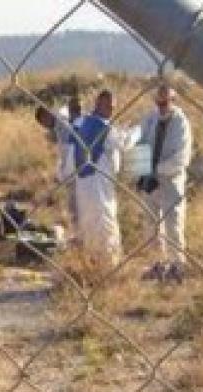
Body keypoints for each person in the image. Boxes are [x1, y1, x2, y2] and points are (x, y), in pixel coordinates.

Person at [67, 90, 139, 269]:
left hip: (83, 182)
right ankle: (110, 266)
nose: (111, 110)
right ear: (98, 104)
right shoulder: (102, 126)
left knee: (89, 224)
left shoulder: (83, 124)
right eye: (108, 106)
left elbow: (69, 158)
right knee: (105, 223)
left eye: (113, 107)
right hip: (99, 182)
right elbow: (124, 142)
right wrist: (138, 130)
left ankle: (93, 263)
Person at [136, 82, 193, 285]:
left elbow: (181, 158)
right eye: (158, 102)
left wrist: (156, 170)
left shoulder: (181, 123)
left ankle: (178, 267)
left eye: (165, 102)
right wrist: (141, 172)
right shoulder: (150, 118)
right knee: (150, 224)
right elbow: (140, 142)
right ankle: (158, 264)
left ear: (173, 101)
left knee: (174, 224)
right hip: (150, 180)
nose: (161, 107)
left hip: (171, 180)